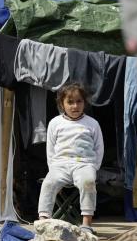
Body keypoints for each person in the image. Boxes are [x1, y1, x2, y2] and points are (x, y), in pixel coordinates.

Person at [37, 82, 104, 233]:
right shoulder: (55, 123)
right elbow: (51, 149)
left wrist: (94, 167)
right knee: (48, 183)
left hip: (84, 165)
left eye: (79, 101)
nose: (75, 106)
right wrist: (53, 170)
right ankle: (44, 222)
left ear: (85, 103)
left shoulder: (92, 124)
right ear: (62, 104)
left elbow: (99, 148)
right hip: (60, 165)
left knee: (88, 182)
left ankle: (86, 223)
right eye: (70, 102)